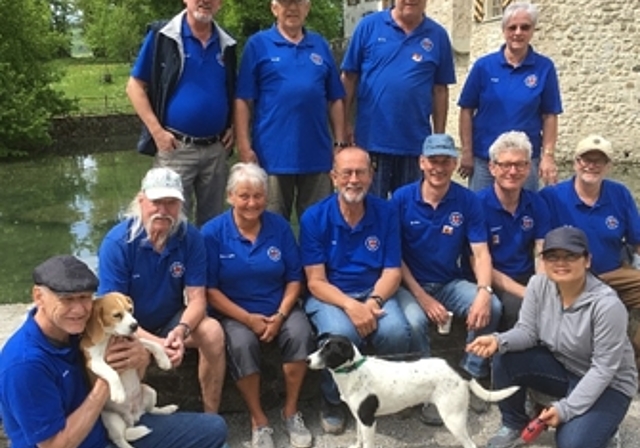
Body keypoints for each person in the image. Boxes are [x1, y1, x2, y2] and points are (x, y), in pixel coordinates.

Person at [0, 255, 228, 448]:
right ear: (38, 297)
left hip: (110, 427)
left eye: (85, 298)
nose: (79, 310)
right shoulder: (25, 365)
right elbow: (55, 445)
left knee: (214, 428)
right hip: (87, 440)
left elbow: (132, 379)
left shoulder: (77, 330)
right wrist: (104, 383)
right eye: (67, 299)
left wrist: (140, 359)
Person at [467, 227, 638, 448]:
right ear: (543, 261)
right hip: (566, 368)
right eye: (552, 256)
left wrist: (564, 410)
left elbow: (603, 369)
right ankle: (514, 424)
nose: (560, 263)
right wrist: (498, 340)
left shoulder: (606, 305)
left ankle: (606, 429)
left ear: (587, 260)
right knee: (505, 354)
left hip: (609, 385)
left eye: (571, 256)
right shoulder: (538, 285)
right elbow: (527, 332)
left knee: (571, 443)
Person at [390, 133, 502, 424]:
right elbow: (394, 257)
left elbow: (480, 252)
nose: (438, 168)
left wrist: (484, 291)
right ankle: (428, 390)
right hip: (409, 285)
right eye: (432, 161)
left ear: (454, 164)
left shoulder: (467, 200)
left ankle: (469, 376)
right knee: (414, 322)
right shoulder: (401, 199)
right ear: (421, 162)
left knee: (494, 307)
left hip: (449, 282)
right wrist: (421, 296)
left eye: (445, 161)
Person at [300, 146, 412, 434]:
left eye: (360, 172)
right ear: (333, 177)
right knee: (343, 336)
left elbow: (392, 271)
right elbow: (315, 281)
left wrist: (372, 302)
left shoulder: (386, 213)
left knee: (397, 333)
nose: (353, 179)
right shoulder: (314, 217)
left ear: (371, 176)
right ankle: (334, 401)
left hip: (374, 291)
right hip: (331, 296)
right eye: (346, 173)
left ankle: (383, 395)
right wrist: (352, 307)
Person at [201, 163, 314, 448]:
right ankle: (259, 419)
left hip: (280, 308)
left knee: (300, 332)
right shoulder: (212, 233)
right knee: (240, 344)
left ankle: (291, 410)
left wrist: (280, 314)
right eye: (244, 196)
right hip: (234, 312)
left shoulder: (279, 227)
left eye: (258, 196)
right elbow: (210, 291)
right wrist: (247, 319)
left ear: (266, 196)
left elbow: (294, 278)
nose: (252, 203)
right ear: (230, 196)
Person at [97, 167, 226, 413]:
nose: (163, 210)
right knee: (128, 354)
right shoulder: (117, 244)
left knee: (212, 332)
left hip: (170, 321)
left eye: (171, 203)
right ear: (141, 200)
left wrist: (181, 330)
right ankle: (134, 419)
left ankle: (213, 416)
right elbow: (112, 315)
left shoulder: (191, 237)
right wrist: (158, 345)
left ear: (181, 205)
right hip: (125, 326)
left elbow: (198, 299)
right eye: (156, 202)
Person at [126, 0, 237, 226]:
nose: (205, 1)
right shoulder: (163, 37)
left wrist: (233, 125)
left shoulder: (227, 43)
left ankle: (204, 263)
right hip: (175, 147)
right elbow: (135, 86)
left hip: (216, 149)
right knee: (169, 221)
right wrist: (156, 132)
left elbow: (233, 90)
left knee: (213, 225)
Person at [235, 0, 346, 222]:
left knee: (318, 225)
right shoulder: (258, 45)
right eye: (286, 3)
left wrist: (340, 144)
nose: (292, 8)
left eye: (298, 3)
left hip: (317, 156)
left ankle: (314, 260)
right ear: (274, 8)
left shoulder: (320, 45)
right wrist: (245, 146)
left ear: (308, 7)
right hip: (272, 157)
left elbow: (335, 99)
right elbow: (243, 100)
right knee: (271, 225)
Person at [540, 134, 640, 367]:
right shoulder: (552, 196)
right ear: (575, 163)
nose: (591, 165)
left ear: (608, 166)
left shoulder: (620, 194)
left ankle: (633, 359)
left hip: (613, 272)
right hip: (570, 277)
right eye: (586, 159)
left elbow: (637, 240)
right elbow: (538, 244)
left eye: (598, 161)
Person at [341, 0, 456, 199]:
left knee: (410, 213)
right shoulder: (368, 26)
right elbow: (349, 78)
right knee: (370, 209)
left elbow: (440, 90)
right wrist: (344, 125)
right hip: (371, 141)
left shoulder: (438, 35)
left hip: (414, 144)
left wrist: (437, 139)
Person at [457, 1, 562, 192]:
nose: (518, 32)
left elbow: (550, 115)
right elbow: (466, 110)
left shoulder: (544, 68)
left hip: (524, 161)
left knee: (525, 216)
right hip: (485, 159)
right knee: (480, 214)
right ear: (504, 30)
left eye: (525, 27)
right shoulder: (483, 67)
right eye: (512, 27)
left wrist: (548, 156)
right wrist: (466, 152)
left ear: (533, 30)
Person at [475, 131, 551, 330]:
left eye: (519, 164)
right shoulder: (478, 205)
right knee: (518, 308)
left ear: (528, 168)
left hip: (526, 277)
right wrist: (524, 293)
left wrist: (540, 287)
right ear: (492, 168)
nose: (513, 171)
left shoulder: (536, 203)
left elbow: (542, 251)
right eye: (506, 164)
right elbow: (477, 260)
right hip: (491, 279)